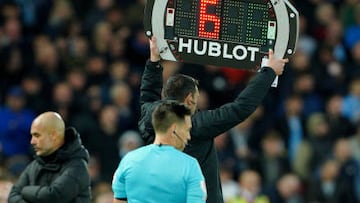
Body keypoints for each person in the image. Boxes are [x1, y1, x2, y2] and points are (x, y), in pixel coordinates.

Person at [138, 37, 288, 203]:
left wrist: (154, 62)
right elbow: (241, 108)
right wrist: (269, 72)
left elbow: (148, 94)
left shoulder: (151, 115)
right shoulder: (196, 125)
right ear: (189, 99)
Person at [112, 101, 207, 203]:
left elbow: (119, 200)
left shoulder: (128, 160)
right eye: (187, 130)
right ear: (174, 129)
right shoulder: (189, 165)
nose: (188, 136)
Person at [8, 112, 91, 203]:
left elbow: (53, 196)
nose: (32, 141)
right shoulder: (35, 165)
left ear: (54, 135)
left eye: (37, 135)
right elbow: (13, 196)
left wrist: (24, 190)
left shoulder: (78, 166)